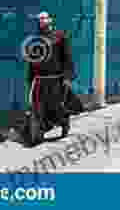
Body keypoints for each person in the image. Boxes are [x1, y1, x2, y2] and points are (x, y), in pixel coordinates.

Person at [25, 12, 83, 141]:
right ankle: (39, 132)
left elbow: (67, 57)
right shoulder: (35, 39)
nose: (42, 20)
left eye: (45, 18)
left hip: (56, 78)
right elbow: (32, 60)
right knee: (38, 106)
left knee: (57, 106)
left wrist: (68, 76)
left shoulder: (60, 36)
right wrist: (30, 78)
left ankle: (64, 122)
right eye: (40, 19)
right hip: (40, 79)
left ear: (50, 20)